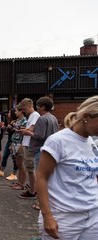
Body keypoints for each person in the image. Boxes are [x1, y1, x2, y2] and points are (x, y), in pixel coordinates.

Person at [36, 95, 98, 239]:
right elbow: (41, 177)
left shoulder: (91, 142)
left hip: (93, 215)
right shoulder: (58, 141)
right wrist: (47, 216)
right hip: (64, 217)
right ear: (87, 116)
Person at [16, 98, 40, 199]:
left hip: (30, 145)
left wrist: (20, 130)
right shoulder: (31, 116)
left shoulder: (35, 115)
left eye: (24, 108)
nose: (23, 111)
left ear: (30, 106)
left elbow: (31, 129)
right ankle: (32, 188)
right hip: (27, 144)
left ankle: (33, 191)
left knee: (31, 168)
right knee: (29, 168)